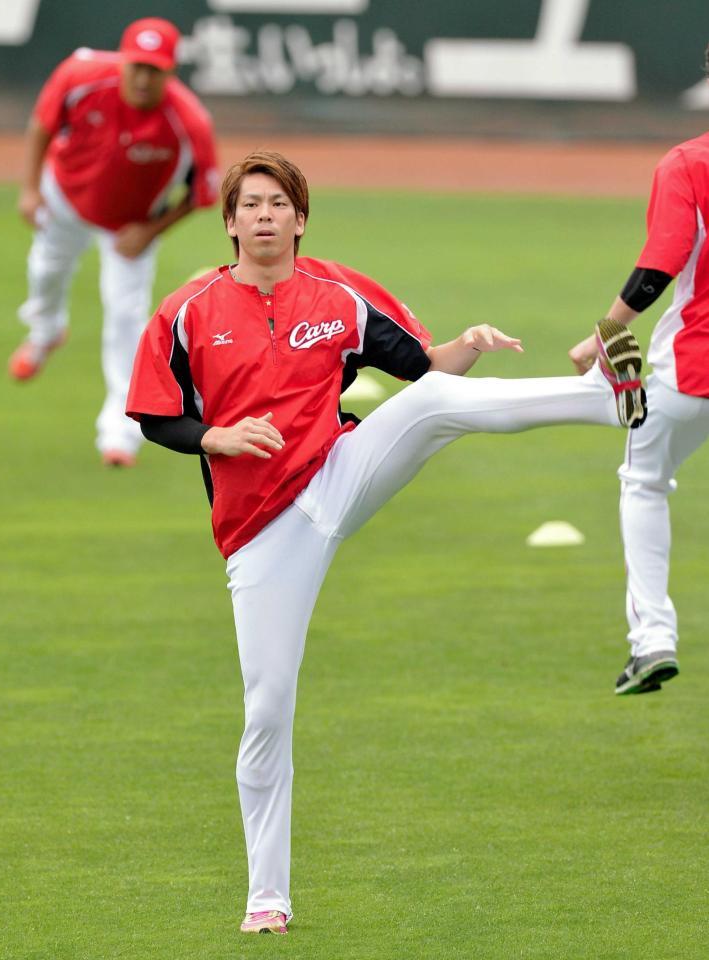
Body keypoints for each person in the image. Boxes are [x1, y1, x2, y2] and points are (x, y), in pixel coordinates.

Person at [125, 151, 646, 934]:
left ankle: (604, 398)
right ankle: (267, 898)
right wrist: (214, 437)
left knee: (433, 401)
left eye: (277, 204)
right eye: (250, 204)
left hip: (336, 472)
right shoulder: (187, 310)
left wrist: (466, 343)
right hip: (259, 531)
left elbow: (424, 369)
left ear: (300, 219)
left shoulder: (337, 295)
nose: (264, 215)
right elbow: (154, 414)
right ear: (229, 222)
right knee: (266, 708)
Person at [10, 17, 219, 467]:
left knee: (127, 319)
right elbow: (42, 125)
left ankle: (120, 432)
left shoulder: (190, 122)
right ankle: (45, 332)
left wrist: (151, 230)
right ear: (123, 62)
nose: (143, 78)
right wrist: (30, 188)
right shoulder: (80, 76)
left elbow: (204, 193)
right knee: (44, 272)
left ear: (171, 72)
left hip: (130, 227)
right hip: (64, 197)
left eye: (155, 70)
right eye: (137, 66)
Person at [569, 51, 709, 695]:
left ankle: (652, 638)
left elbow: (660, 265)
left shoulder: (687, 164)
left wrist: (607, 332)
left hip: (694, 370)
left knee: (645, 481)